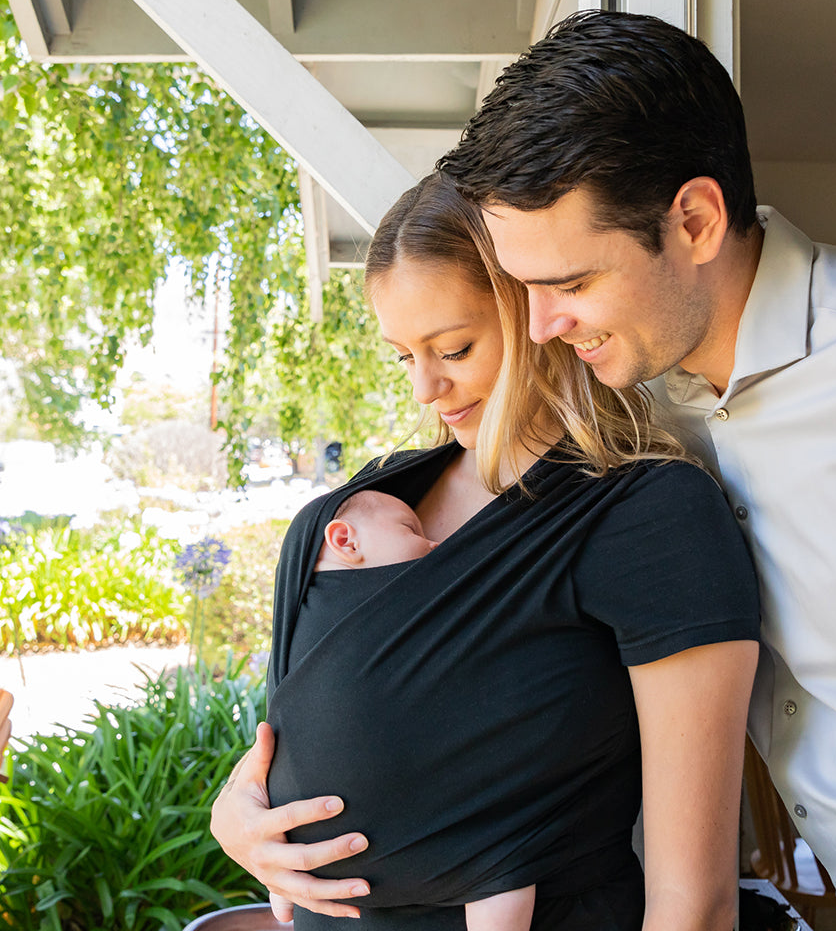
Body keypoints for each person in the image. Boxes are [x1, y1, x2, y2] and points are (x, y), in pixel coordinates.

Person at [213, 173, 761, 930]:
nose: (427, 389)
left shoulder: (647, 517)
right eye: (404, 357)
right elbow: (291, 743)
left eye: (455, 348)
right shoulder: (345, 521)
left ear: (532, 310)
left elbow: (693, 901)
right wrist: (235, 819)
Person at [438, 10, 836, 929]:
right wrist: (262, 789)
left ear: (693, 221)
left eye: (569, 283)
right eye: (524, 288)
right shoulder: (625, 411)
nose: (540, 326)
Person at [312, 488, 534, 931]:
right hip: (396, 826)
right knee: (503, 865)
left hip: (327, 825)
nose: (434, 544)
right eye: (411, 530)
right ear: (346, 541)